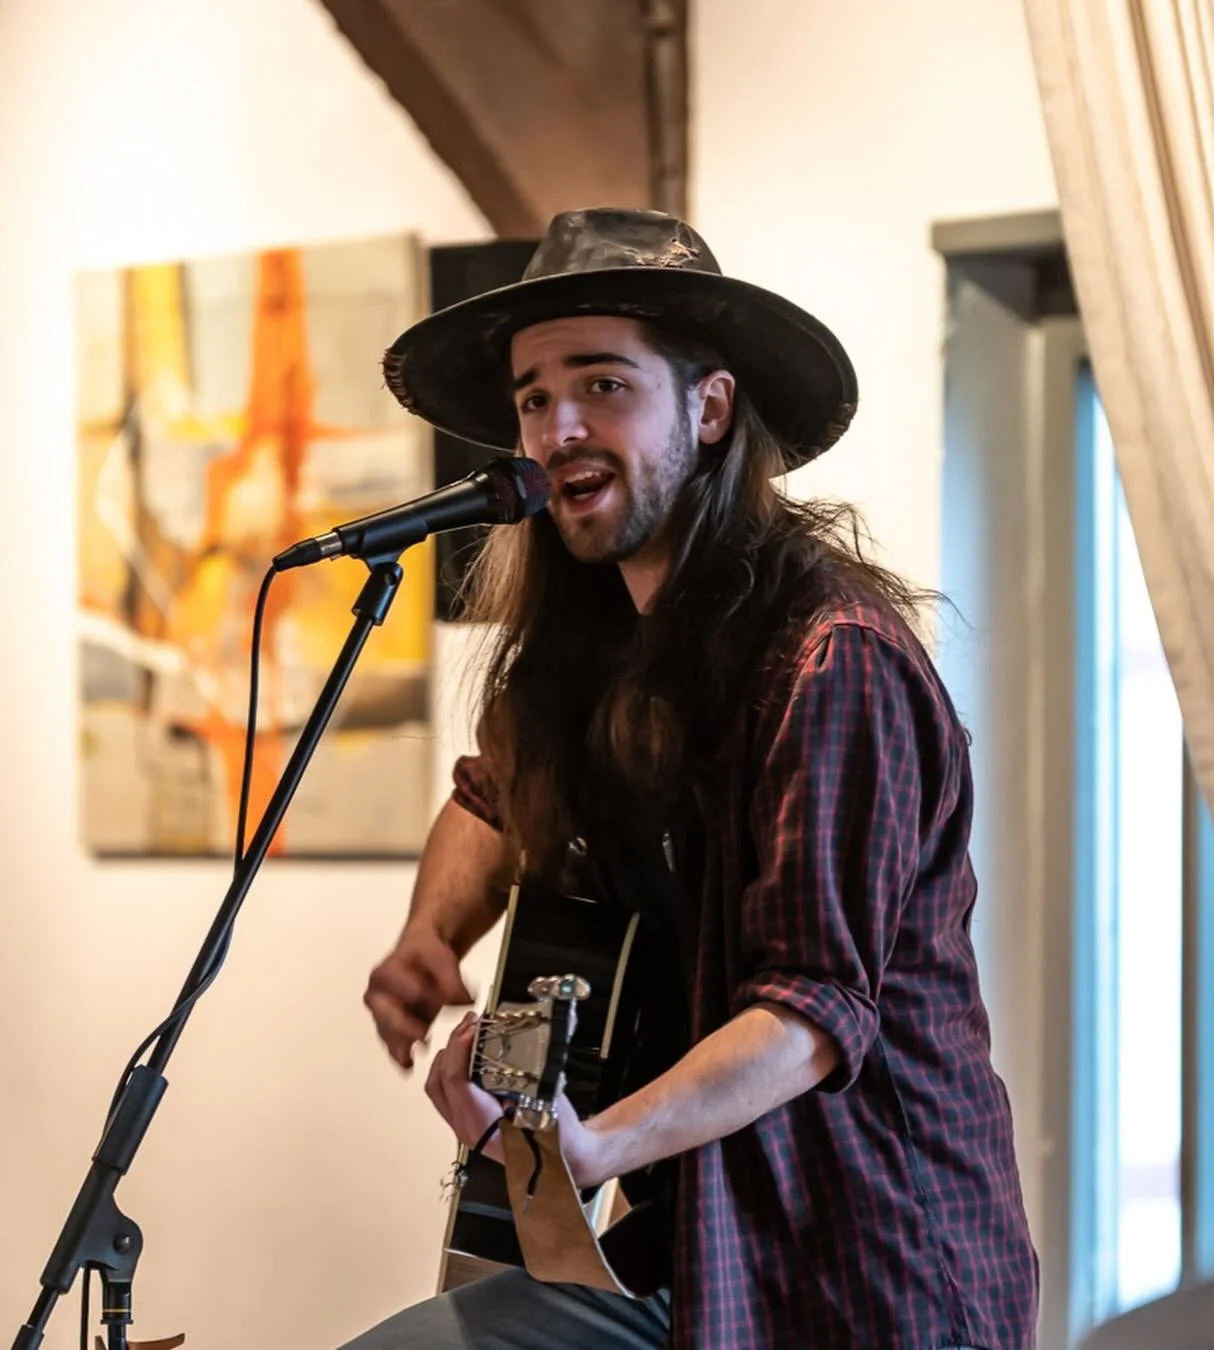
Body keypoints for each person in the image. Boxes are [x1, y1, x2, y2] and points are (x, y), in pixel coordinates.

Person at [345, 207, 1039, 1350]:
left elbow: (810, 1014)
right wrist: (433, 934)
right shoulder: (590, 644)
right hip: (688, 1254)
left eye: (602, 385)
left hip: (865, 1271)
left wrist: (600, 1144)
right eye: (531, 398)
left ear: (709, 409)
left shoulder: (830, 657)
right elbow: (494, 797)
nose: (557, 427)